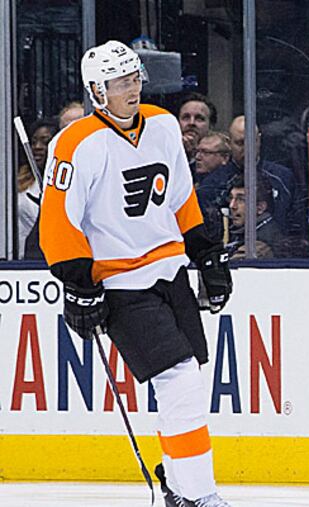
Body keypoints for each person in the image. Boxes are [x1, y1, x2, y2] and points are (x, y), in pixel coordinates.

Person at [38, 41, 233, 507]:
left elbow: (182, 197)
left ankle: (180, 486)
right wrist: (79, 285)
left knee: (185, 382)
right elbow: (59, 222)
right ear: (96, 91)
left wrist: (206, 258)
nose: (131, 88)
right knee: (179, 378)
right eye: (119, 82)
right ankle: (199, 494)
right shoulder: (75, 143)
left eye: (134, 79)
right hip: (121, 284)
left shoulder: (164, 125)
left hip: (170, 273)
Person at [228, 116, 301, 236]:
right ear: (229, 143)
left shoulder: (283, 178)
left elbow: (296, 225)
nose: (247, 149)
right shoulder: (215, 182)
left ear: (259, 140)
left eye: (252, 141)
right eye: (240, 143)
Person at [18, 119, 57, 258]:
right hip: (18, 259)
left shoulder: (62, 181)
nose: (37, 147)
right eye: (33, 142)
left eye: (45, 142)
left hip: (48, 257)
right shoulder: (17, 179)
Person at [225, 174, 285, 259]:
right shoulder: (245, 232)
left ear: (260, 208)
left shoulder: (260, 245)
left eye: (241, 199)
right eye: (231, 198)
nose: (232, 206)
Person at [178, 92, 216, 169]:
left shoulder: (217, 161)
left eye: (199, 118)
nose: (191, 123)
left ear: (211, 126)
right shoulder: (165, 155)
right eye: (186, 117)